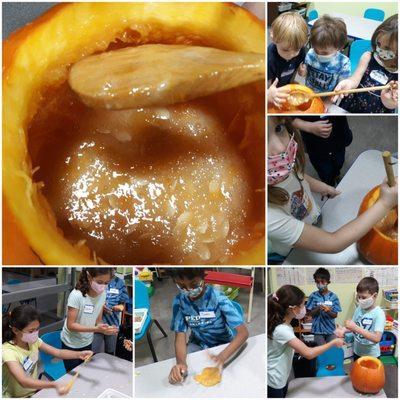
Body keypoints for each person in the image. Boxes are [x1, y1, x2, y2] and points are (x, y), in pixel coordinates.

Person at [268, 116, 398, 264]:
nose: (281, 147)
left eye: (278, 128)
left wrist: (322, 187)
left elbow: (298, 175)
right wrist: (384, 204)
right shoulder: (268, 217)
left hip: (310, 216)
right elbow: (333, 242)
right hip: (291, 248)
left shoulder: (279, 167)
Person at [168, 268, 248, 384]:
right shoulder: (179, 302)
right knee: (188, 380)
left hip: (223, 343)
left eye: (194, 284)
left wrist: (223, 356)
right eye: (181, 286)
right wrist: (181, 363)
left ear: (203, 277)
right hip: (198, 343)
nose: (189, 290)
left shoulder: (218, 298)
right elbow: (180, 337)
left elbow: (243, 333)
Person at [268, 285, 344, 398]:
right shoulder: (282, 329)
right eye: (303, 305)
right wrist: (333, 343)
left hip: (279, 376)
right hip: (273, 379)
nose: (305, 308)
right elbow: (308, 353)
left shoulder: (283, 323)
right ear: (293, 309)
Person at [2, 305, 92, 398]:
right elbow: (23, 381)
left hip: (33, 391)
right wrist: (53, 384)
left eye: (37, 329)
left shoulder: (33, 341)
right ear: (15, 330)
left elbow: (58, 353)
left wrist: (79, 354)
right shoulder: (8, 351)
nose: (35, 333)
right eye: (31, 331)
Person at [334, 14, 398, 113]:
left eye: (387, 49)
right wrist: (348, 83)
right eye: (379, 43)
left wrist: (389, 100)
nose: (380, 50)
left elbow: (392, 105)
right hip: (353, 104)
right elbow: (355, 79)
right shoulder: (367, 56)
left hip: (375, 113)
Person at [61, 268, 118, 371]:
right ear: (89, 276)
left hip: (87, 342)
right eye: (99, 282)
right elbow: (71, 325)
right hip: (71, 344)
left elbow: (98, 320)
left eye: (106, 283)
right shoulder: (76, 295)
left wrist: (104, 327)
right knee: (72, 375)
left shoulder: (102, 294)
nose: (103, 286)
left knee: (84, 371)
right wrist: (96, 329)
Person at [292, 116, 353, 186]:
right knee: (324, 170)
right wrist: (309, 127)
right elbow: (287, 118)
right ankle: (329, 183)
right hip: (316, 145)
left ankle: (336, 174)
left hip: (338, 136)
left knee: (339, 161)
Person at [335, 277, 385, 359]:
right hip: (357, 352)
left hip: (372, 355)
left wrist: (355, 328)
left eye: (364, 297)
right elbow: (353, 326)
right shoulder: (359, 309)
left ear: (374, 296)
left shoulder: (379, 313)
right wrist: (343, 330)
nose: (360, 300)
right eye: (359, 297)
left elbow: (377, 338)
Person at [267, 11, 309, 108]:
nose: (291, 55)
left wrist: (301, 71)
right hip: (273, 87)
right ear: (273, 38)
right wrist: (269, 93)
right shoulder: (269, 58)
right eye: (285, 50)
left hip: (287, 84)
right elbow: (267, 83)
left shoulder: (301, 51)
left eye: (296, 50)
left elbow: (298, 66)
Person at [302, 15, 351, 93]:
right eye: (316, 49)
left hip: (328, 98)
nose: (318, 54)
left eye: (325, 53)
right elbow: (305, 72)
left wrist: (343, 87)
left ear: (339, 47)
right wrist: (303, 71)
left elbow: (343, 84)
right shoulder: (311, 53)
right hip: (309, 93)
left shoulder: (343, 63)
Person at [92, 268, 130, 355]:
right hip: (97, 323)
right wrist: (101, 307)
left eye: (114, 269)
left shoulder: (119, 283)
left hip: (113, 323)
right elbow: (90, 300)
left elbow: (123, 303)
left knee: (110, 351)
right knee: (94, 351)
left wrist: (119, 307)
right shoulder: (98, 280)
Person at [306, 268, 341, 345]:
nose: (320, 284)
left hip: (330, 330)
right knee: (319, 353)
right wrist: (318, 308)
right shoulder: (313, 296)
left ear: (328, 282)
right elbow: (309, 314)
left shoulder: (333, 297)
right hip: (317, 330)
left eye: (322, 281)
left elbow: (335, 315)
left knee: (331, 351)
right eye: (318, 282)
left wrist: (328, 310)